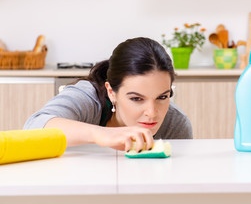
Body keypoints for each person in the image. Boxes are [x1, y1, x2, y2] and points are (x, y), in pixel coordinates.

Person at [24, 37, 193, 152]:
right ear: (111, 92)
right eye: (136, 98)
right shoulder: (88, 98)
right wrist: (100, 134)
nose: (152, 112)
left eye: (162, 97)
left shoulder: (175, 124)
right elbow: (33, 127)